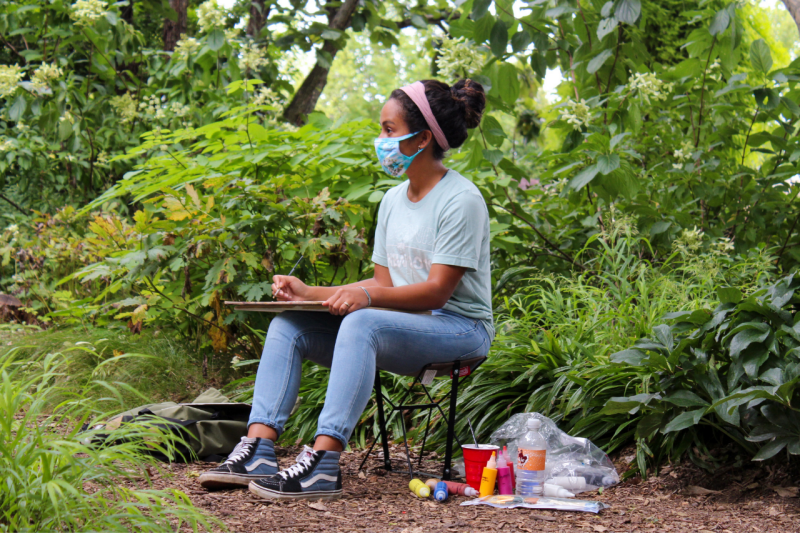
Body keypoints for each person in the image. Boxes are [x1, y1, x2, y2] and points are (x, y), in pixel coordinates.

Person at [199, 79, 494, 501]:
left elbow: (434, 294)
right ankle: (259, 450)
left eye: (389, 131)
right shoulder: (393, 200)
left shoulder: (460, 200)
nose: (381, 140)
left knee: (363, 322)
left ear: (423, 138)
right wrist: (309, 292)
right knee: (289, 325)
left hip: (461, 330)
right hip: (403, 326)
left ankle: (323, 463)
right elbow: (382, 284)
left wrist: (367, 300)